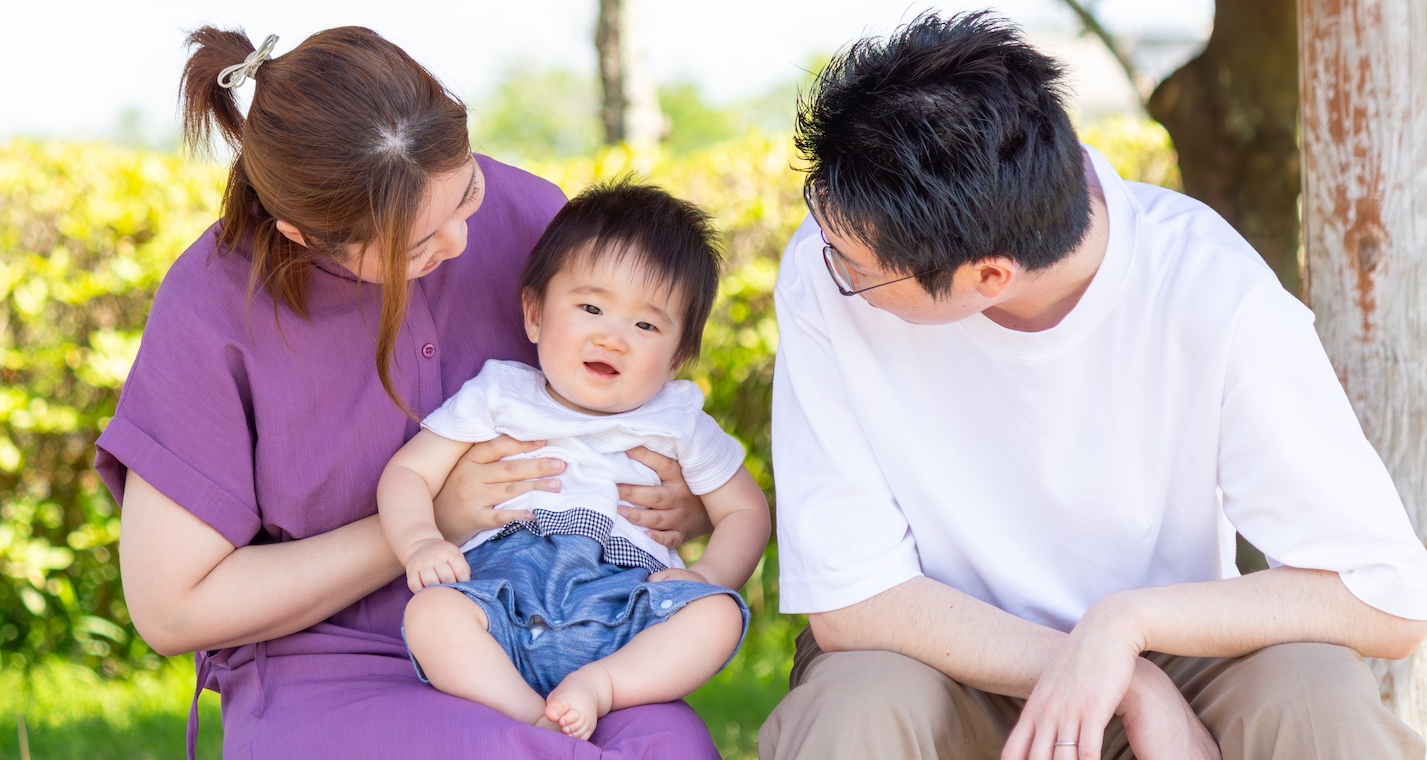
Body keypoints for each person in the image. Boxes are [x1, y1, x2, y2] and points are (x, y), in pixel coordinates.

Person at [758, 12, 1427, 760]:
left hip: (1182, 647)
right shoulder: (830, 260)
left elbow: (1384, 596)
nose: (829, 261)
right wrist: (1126, 682)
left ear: (990, 277)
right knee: (855, 710)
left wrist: (1126, 627)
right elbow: (855, 604)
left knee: (1316, 701)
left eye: (856, 267)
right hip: (939, 655)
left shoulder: (1212, 290)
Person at [94, 27, 721, 758]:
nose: (459, 241)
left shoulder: (531, 216)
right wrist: (426, 523)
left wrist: (680, 497)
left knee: (670, 746)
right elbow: (172, 608)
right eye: (414, 246)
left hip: (569, 633)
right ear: (303, 234)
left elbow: (634, 389)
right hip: (330, 671)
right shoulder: (212, 307)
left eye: (467, 194)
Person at [379, 180, 770, 741]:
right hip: (503, 596)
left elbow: (746, 512)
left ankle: (602, 685)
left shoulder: (679, 420)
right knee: (431, 615)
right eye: (591, 307)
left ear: (678, 357)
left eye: (646, 325)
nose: (613, 338)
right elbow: (410, 472)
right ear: (534, 315)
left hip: (628, 606)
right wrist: (419, 540)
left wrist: (704, 578)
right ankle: (526, 714)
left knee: (720, 614)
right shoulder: (501, 394)